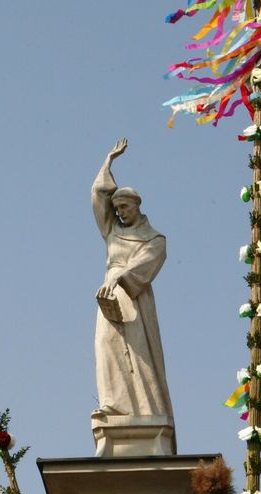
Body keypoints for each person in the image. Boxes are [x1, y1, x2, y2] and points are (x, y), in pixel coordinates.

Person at [91, 138, 174, 419]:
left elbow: (147, 262)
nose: (119, 213)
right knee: (106, 345)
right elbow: (98, 196)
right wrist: (109, 162)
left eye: (124, 207)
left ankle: (145, 409)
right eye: (116, 210)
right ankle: (113, 404)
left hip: (134, 295)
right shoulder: (111, 231)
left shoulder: (154, 238)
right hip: (109, 294)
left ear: (136, 205)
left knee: (139, 351)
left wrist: (121, 277)